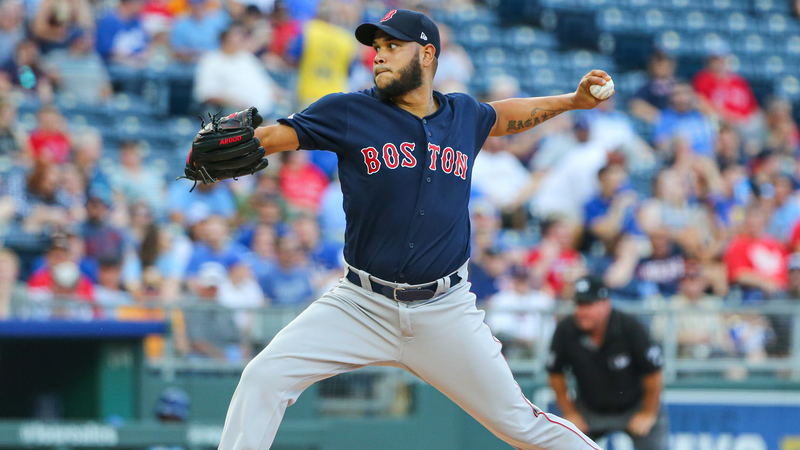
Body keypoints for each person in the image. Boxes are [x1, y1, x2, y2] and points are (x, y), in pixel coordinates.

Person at [213, 9, 610, 450]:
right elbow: (275, 137)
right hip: (360, 304)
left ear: (427, 54)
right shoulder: (351, 111)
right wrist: (229, 144)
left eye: (392, 46)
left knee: (522, 425)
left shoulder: (462, 115)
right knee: (264, 377)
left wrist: (571, 101)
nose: (379, 56)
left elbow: (501, 116)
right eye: (376, 48)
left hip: (445, 311)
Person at [547, 276, 668, 450]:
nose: (582, 311)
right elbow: (555, 373)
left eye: (588, 304)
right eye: (579, 304)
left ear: (605, 304)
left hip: (635, 406)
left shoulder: (629, 326)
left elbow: (653, 373)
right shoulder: (566, 329)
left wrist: (647, 413)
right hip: (590, 409)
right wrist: (570, 413)